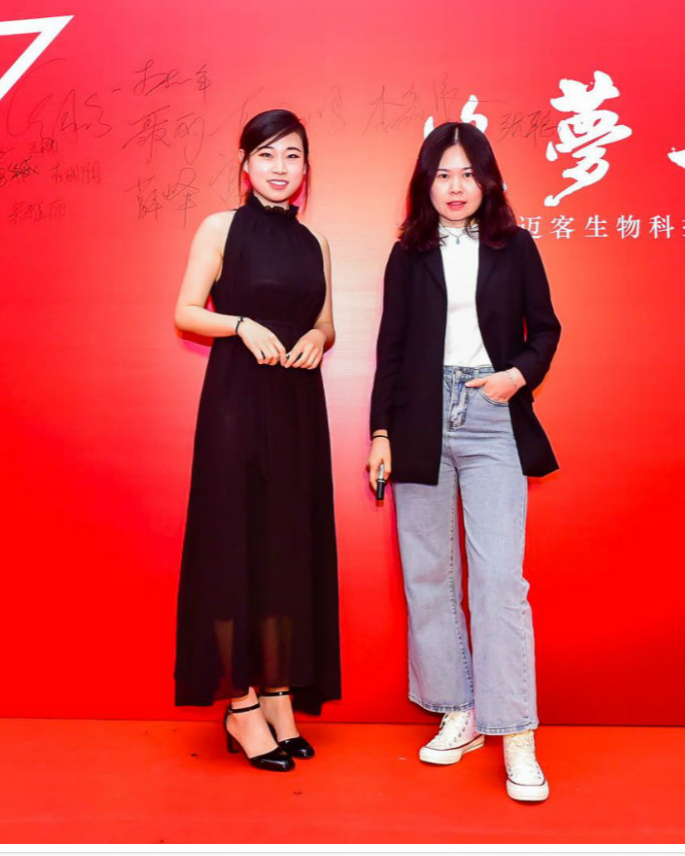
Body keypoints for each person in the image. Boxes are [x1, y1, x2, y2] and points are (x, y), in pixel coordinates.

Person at [367, 122, 560, 803]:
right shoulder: (408, 254)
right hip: (418, 417)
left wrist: (517, 375)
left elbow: (547, 328)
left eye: (467, 174)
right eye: (442, 174)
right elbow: (390, 348)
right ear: (426, 183)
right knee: (429, 573)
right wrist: (381, 431)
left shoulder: (515, 245)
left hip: (491, 413)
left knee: (499, 580)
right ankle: (459, 711)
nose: (455, 187)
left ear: (488, 180)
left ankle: (516, 731)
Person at [170, 109, 339, 773]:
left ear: (306, 168)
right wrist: (240, 324)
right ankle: (239, 705)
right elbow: (185, 311)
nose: (279, 167)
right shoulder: (221, 228)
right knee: (231, 547)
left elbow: (326, 323)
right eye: (266, 154)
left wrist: (317, 337)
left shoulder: (316, 241)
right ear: (244, 165)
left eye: (292, 155)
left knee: (286, 550)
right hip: (236, 403)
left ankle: (277, 696)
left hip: (298, 406)